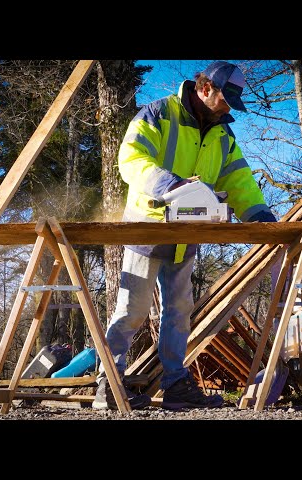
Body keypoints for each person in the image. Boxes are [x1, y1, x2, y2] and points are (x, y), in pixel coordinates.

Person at [92, 61, 277, 411]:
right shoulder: (158, 113)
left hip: (187, 234)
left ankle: (175, 384)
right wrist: (171, 185)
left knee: (178, 312)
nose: (227, 109)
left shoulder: (223, 133)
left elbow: (239, 181)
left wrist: (261, 217)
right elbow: (131, 158)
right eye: (224, 100)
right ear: (205, 88)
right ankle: (108, 384)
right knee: (131, 309)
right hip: (147, 227)